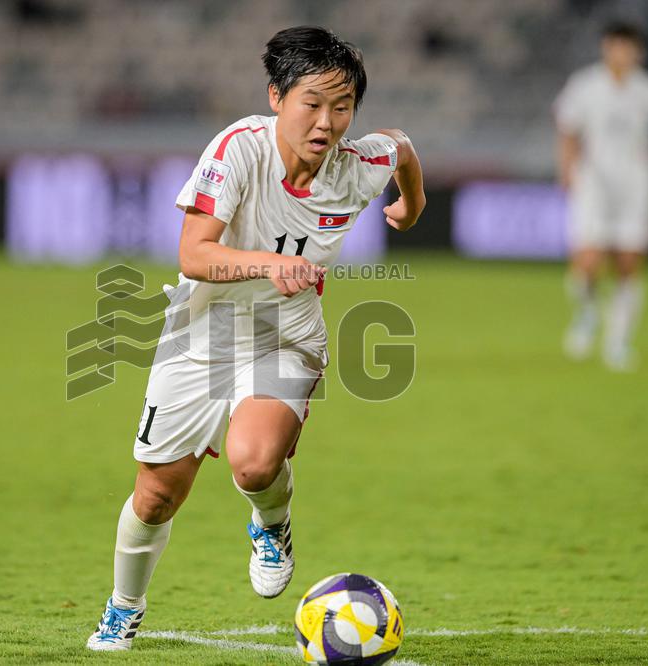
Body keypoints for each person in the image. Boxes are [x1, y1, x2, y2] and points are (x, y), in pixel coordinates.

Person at [86, 25, 425, 651]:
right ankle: (123, 607)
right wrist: (269, 264)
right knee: (157, 493)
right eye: (313, 103)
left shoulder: (356, 166)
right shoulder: (238, 150)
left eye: (343, 106)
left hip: (285, 335)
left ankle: (272, 523)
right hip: (201, 331)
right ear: (277, 97)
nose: (328, 122)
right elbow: (193, 254)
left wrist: (413, 202)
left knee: (254, 460)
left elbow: (400, 146)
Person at [555, 21, 648, 371]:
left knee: (628, 263)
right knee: (588, 260)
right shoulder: (584, 85)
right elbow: (568, 131)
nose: (622, 53)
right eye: (616, 45)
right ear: (606, 47)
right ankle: (588, 312)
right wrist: (566, 170)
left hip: (636, 181)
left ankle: (617, 342)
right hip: (594, 179)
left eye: (629, 46)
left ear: (640, 52)